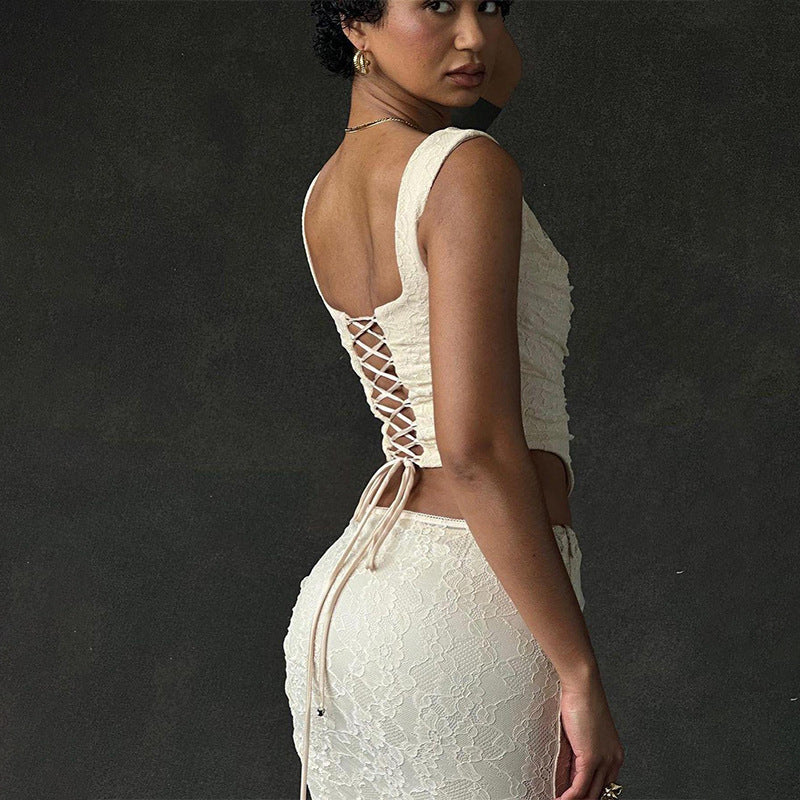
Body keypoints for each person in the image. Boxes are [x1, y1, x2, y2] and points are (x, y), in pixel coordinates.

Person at [283, 2, 625, 799]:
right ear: (353, 21)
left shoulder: (328, 189)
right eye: (437, 4)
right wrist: (579, 671)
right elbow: (473, 451)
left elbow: (494, 73)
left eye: (492, 6)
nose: (474, 37)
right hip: (471, 604)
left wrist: (451, 24)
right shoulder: (466, 166)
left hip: (357, 606)